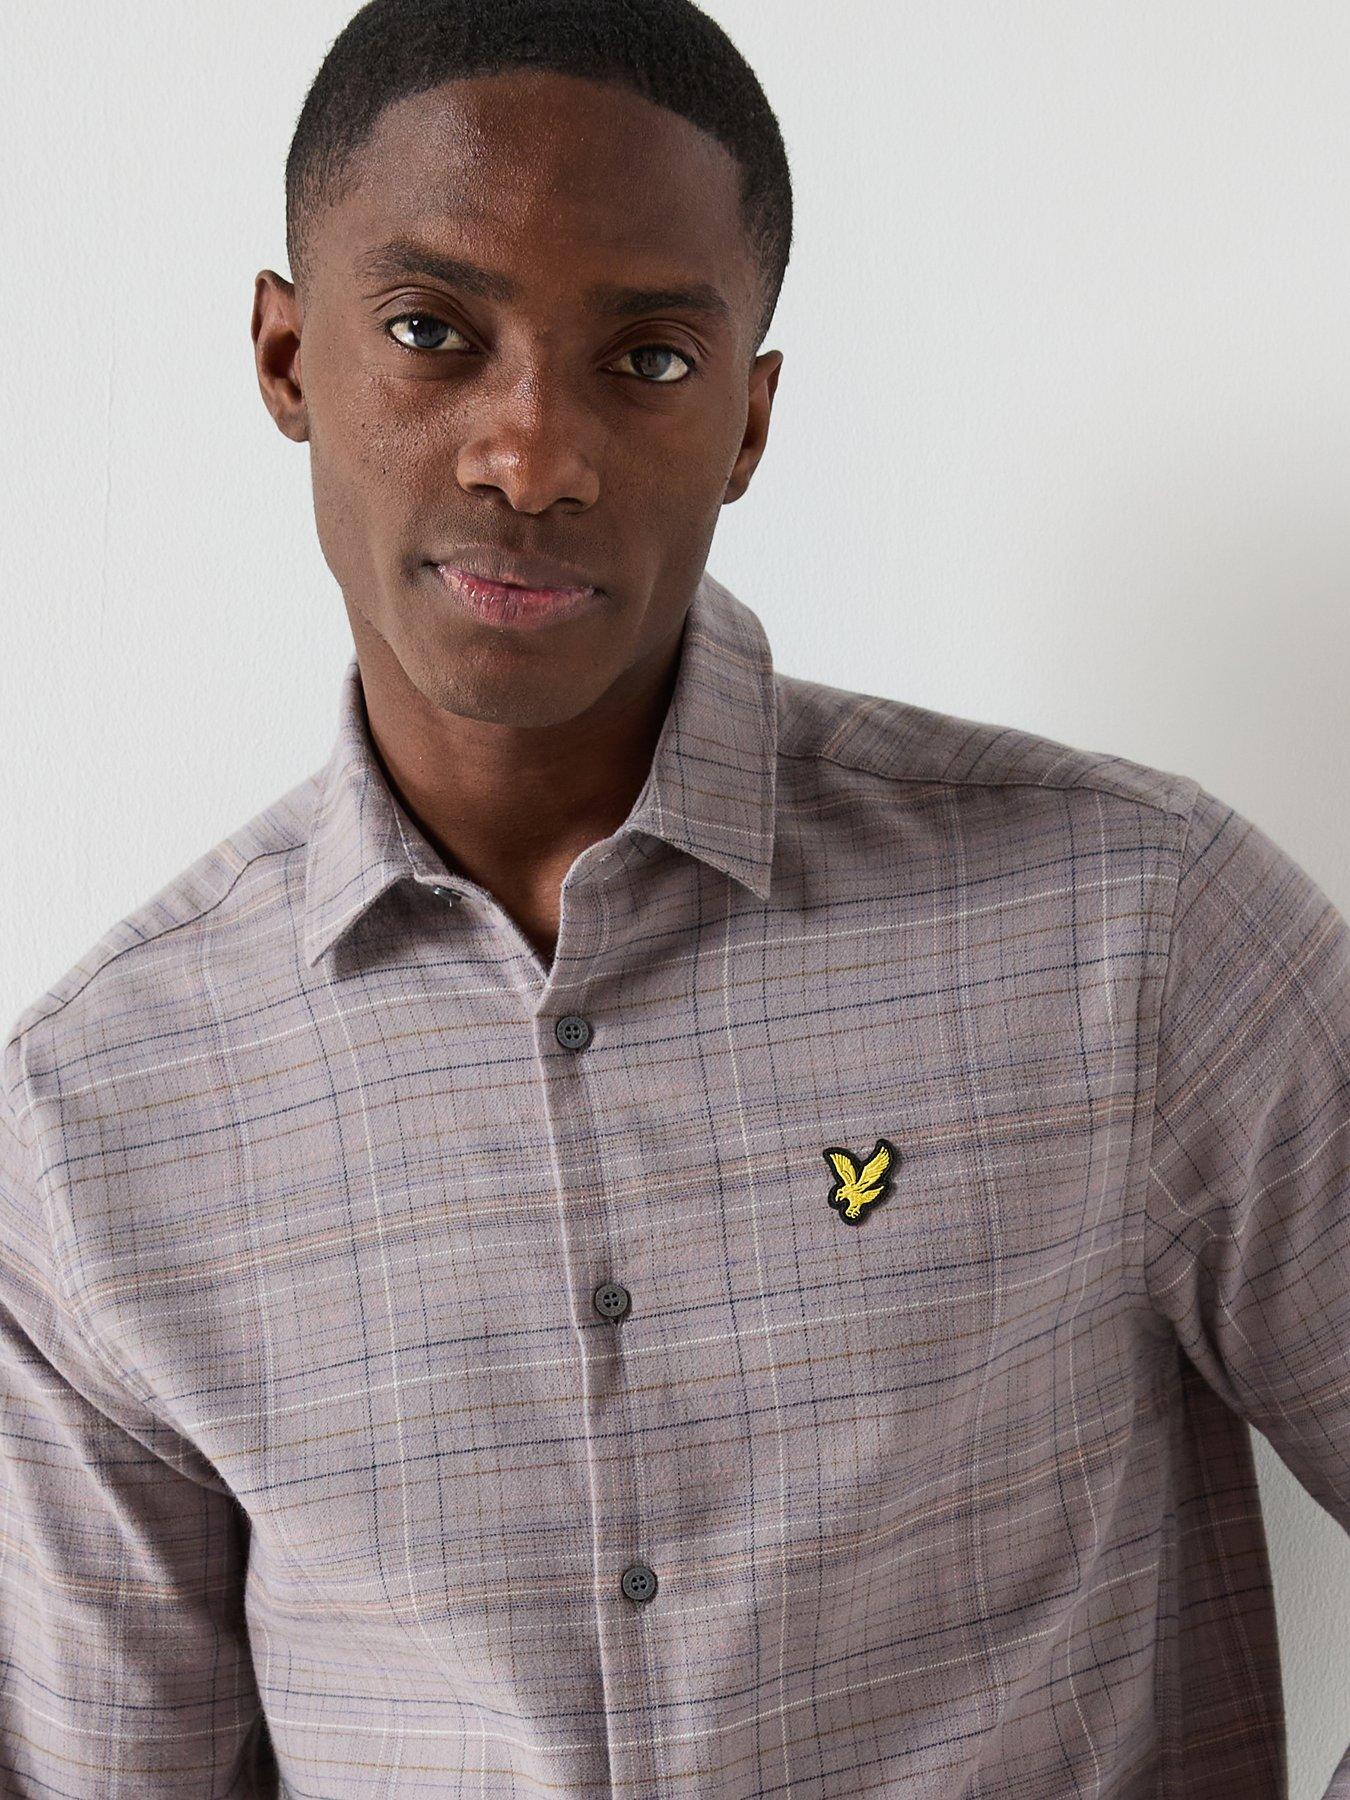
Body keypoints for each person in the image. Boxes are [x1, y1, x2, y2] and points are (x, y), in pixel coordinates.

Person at [1, 1, 1347, 1793]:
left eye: (644, 359)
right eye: (430, 332)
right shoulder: (98, 1121)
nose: (530, 456)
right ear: (286, 354)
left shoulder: (1141, 932)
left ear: (747, 421)